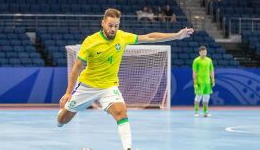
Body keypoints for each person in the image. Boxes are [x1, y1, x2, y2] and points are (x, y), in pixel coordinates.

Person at [57, 8, 194, 150]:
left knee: (121, 112)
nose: (113, 29)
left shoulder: (122, 37)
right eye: (110, 25)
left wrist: (177, 36)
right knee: (62, 120)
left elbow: (150, 37)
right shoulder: (91, 41)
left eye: (116, 26)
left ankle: (127, 148)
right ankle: (61, 116)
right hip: (87, 86)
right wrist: (68, 93)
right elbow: (76, 68)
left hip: (109, 87)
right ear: (103, 23)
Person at [192, 46, 215, 117]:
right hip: (199, 82)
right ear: (199, 53)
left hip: (207, 82)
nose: (204, 53)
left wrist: (213, 80)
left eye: (205, 52)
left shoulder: (209, 60)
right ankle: (196, 111)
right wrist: (195, 82)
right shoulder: (196, 60)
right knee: (198, 96)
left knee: (206, 97)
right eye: (202, 52)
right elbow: (194, 72)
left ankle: (205, 112)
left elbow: (211, 71)